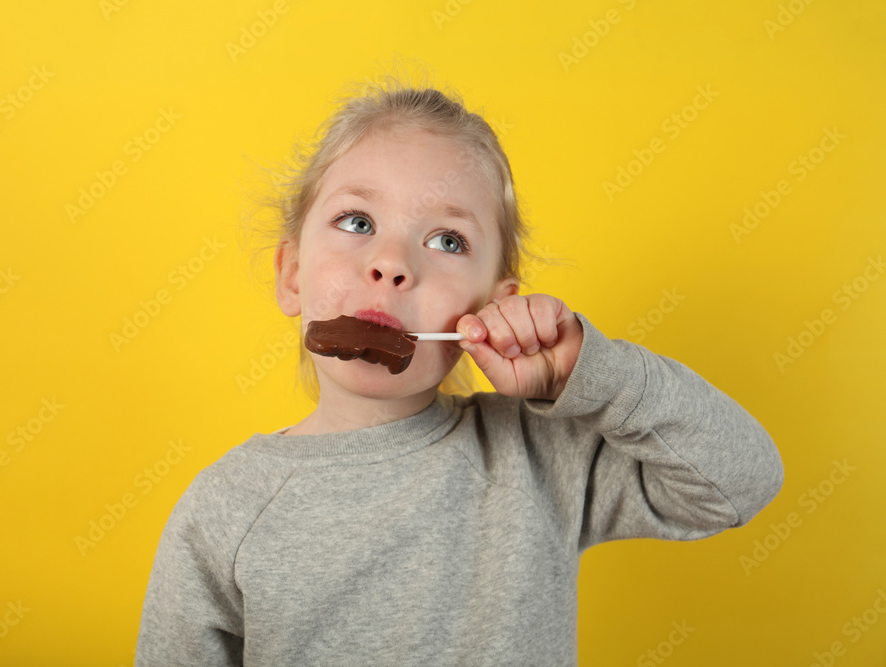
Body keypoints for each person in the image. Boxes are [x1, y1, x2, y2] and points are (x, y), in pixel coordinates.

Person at [135, 79, 783, 666]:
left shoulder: (539, 453)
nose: (392, 262)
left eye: (447, 240)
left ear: (495, 307)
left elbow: (741, 481)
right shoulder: (226, 506)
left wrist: (594, 372)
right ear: (292, 276)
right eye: (357, 222)